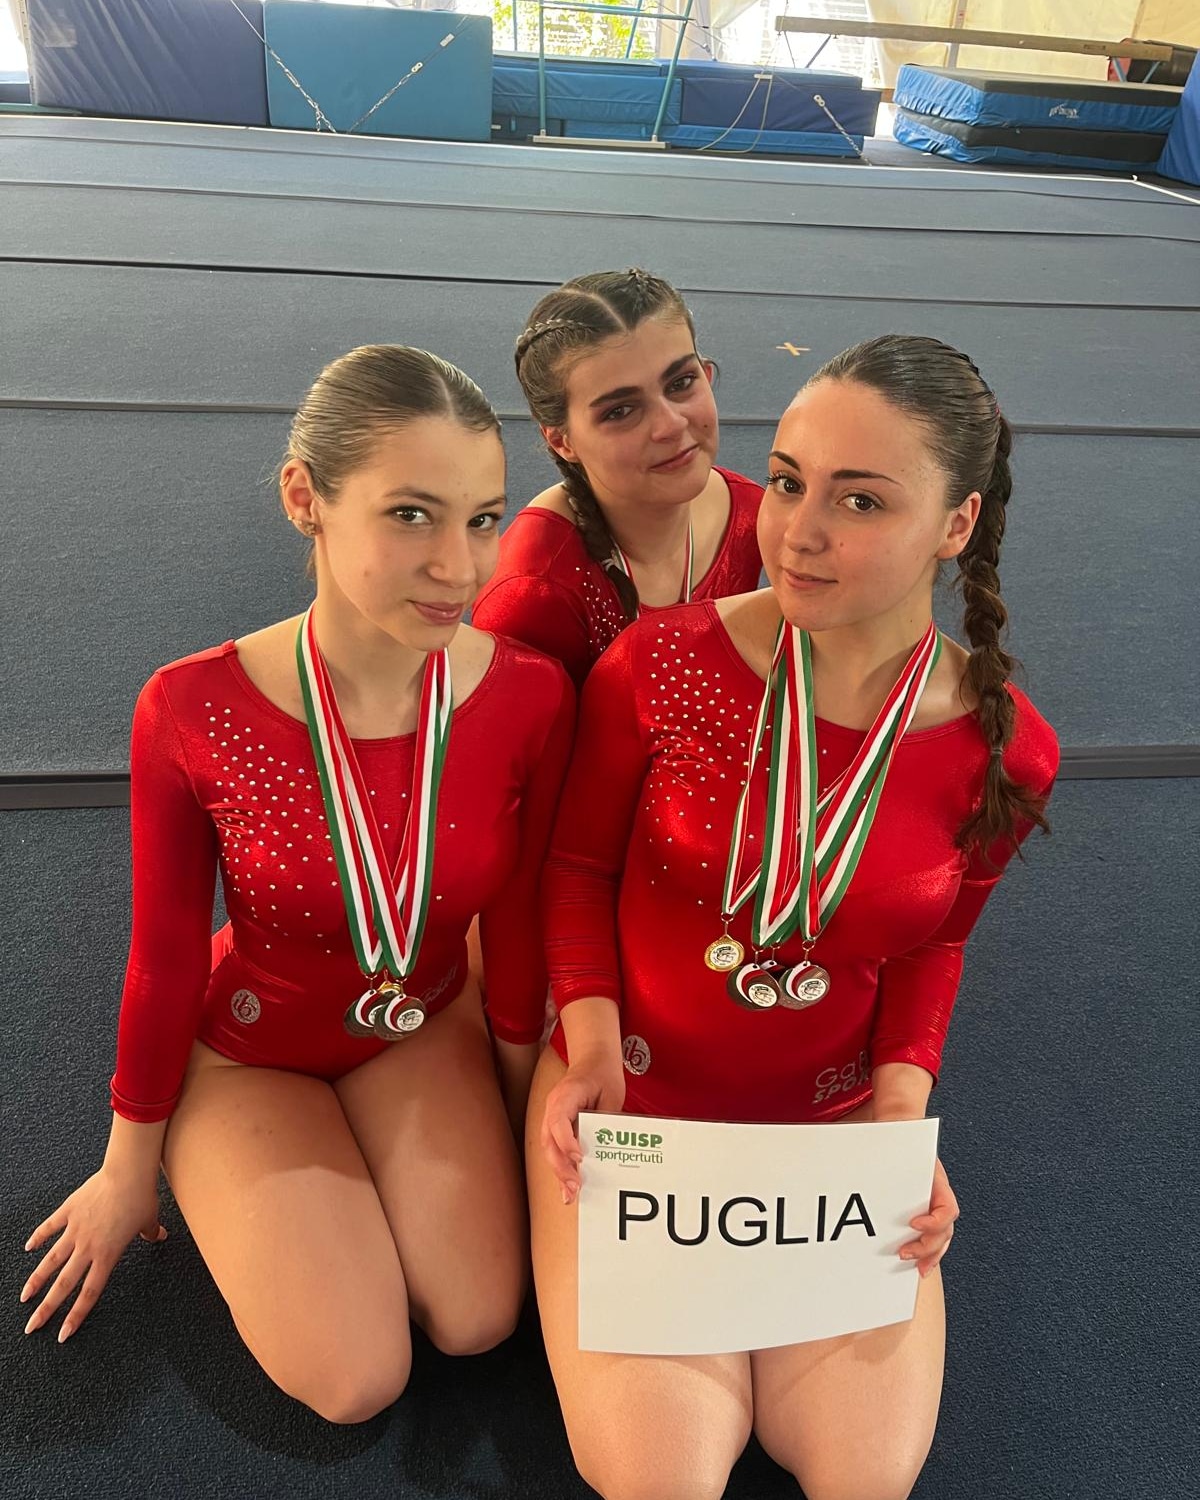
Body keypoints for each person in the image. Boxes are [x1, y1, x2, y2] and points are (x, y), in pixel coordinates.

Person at [527, 335, 1060, 1500]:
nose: (799, 532)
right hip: (636, 1101)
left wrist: (900, 1116)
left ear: (956, 523)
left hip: (830, 1127)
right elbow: (574, 869)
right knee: (660, 1480)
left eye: (860, 500)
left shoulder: (1005, 749)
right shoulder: (661, 666)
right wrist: (589, 1045)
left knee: (863, 1478)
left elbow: (936, 944)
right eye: (786, 482)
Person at [20, 346, 575, 1424]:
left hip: (420, 1020)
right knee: (357, 1380)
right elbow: (164, 955)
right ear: (304, 498)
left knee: (478, 1316)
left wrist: (520, 1106)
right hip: (250, 1044)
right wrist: (128, 1162)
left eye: (482, 519)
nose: (459, 566)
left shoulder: (528, 697)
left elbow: (515, 926)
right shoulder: (193, 707)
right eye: (410, 515)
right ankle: (219, 1153)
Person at [471, 268, 765, 687]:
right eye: (620, 411)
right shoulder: (533, 591)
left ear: (706, 374)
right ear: (562, 441)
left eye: (681, 383)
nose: (670, 425)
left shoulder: (751, 514)